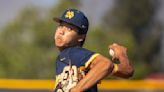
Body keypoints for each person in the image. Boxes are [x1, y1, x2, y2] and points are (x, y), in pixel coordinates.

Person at [53, 9, 134, 92]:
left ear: (81, 37)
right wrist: (122, 55)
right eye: (61, 26)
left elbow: (106, 64)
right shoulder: (72, 60)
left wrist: (76, 90)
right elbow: (127, 71)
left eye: (69, 28)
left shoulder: (74, 52)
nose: (61, 31)